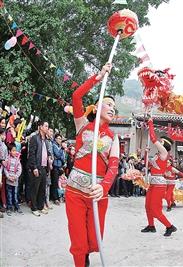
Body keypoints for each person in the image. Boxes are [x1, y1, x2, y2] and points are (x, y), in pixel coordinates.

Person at [65, 63, 120, 267]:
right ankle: (81, 260)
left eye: (114, 107)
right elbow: (77, 96)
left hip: (97, 195)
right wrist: (98, 77)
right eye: (108, 104)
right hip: (75, 191)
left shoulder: (114, 137)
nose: (112, 108)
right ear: (97, 107)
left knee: (94, 240)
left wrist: (103, 188)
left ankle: (86, 253)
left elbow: (114, 166)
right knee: (78, 241)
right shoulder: (82, 125)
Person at [139, 118, 177, 236]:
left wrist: (150, 123)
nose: (158, 143)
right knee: (147, 206)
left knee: (155, 209)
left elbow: (153, 138)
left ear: (165, 144)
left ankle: (169, 226)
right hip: (153, 182)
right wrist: (145, 153)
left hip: (159, 184)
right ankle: (151, 226)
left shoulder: (164, 153)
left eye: (161, 141)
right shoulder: (157, 156)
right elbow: (148, 164)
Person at [27, 121, 51, 217]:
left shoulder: (46, 140)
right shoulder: (34, 138)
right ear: (40, 127)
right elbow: (32, 154)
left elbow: (47, 152)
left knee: (42, 188)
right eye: (45, 126)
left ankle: (40, 207)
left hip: (44, 167)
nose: (47, 128)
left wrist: (50, 157)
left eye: (48, 126)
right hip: (37, 167)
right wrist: (34, 167)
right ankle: (34, 208)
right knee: (35, 188)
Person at [3, 143, 22, 215]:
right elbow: (5, 169)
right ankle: (9, 207)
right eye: (13, 151)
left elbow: (19, 169)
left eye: (15, 150)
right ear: (9, 151)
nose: (15, 152)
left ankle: (17, 207)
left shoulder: (18, 160)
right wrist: (8, 177)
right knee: (9, 195)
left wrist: (16, 176)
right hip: (9, 180)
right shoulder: (7, 159)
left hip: (15, 180)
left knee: (15, 194)